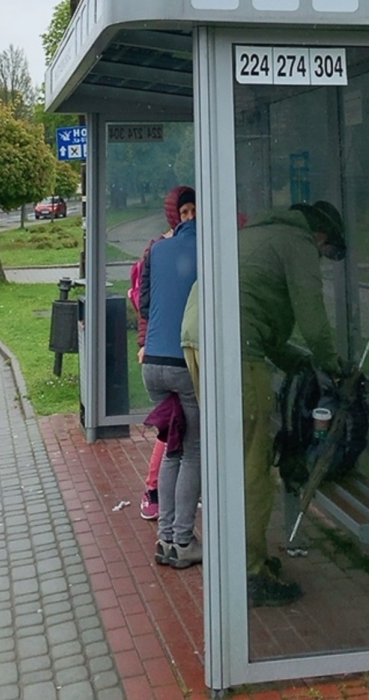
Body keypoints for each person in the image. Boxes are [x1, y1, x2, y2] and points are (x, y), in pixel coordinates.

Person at [238, 200, 343, 607]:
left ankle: (243, 559)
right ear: (320, 235)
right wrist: (331, 365)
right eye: (326, 250)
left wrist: (295, 360)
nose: (321, 257)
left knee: (235, 460)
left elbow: (254, 314)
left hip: (200, 339)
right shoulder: (298, 242)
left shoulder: (260, 232)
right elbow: (312, 317)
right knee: (255, 467)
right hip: (237, 353)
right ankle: (251, 574)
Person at [139, 186, 201, 569]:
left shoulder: (157, 250)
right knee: (192, 451)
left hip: (153, 363)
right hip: (183, 361)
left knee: (172, 449)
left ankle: (165, 539)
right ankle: (183, 541)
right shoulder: (208, 247)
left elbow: (145, 305)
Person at [130, 185, 192, 520]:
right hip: (174, 353)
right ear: (173, 216)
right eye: (184, 213)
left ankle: (161, 496)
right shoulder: (161, 249)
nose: (190, 218)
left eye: (194, 211)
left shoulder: (167, 248)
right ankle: (155, 491)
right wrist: (144, 343)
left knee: (175, 433)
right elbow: (147, 303)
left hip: (165, 353)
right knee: (179, 437)